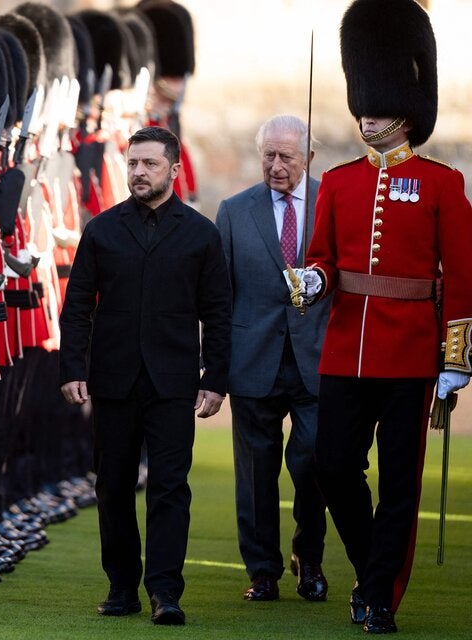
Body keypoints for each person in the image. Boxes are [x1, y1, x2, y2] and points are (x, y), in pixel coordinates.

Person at [298, 0, 472, 633]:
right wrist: (309, 280)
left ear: (406, 108)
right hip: (346, 349)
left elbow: (462, 278)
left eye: (378, 102)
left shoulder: (440, 185)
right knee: (333, 465)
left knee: (400, 482)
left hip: (410, 353)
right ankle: (373, 563)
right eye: (363, 99)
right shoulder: (340, 183)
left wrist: (454, 360)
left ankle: (378, 597)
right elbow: (323, 261)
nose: (367, 112)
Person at [58, 125, 231, 625]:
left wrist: (216, 377)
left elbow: (218, 311)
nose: (138, 172)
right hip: (112, 381)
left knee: (170, 487)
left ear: (174, 170)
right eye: (133, 163)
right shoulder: (102, 230)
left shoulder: (201, 234)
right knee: (112, 485)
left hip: (174, 383)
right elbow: (77, 308)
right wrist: (73, 367)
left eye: (150, 164)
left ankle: (165, 591)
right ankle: (121, 586)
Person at [215, 115, 330, 603]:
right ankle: (262, 570)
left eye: (286, 156)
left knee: (312, 463)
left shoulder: (332, 202)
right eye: (269, 155)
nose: (276, 165)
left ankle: (310, 557)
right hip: (253, 359)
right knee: (257, 473)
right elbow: (219, 297)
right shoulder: (234, 211)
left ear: (307, 157)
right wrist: (215, 368)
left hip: (316, 360)